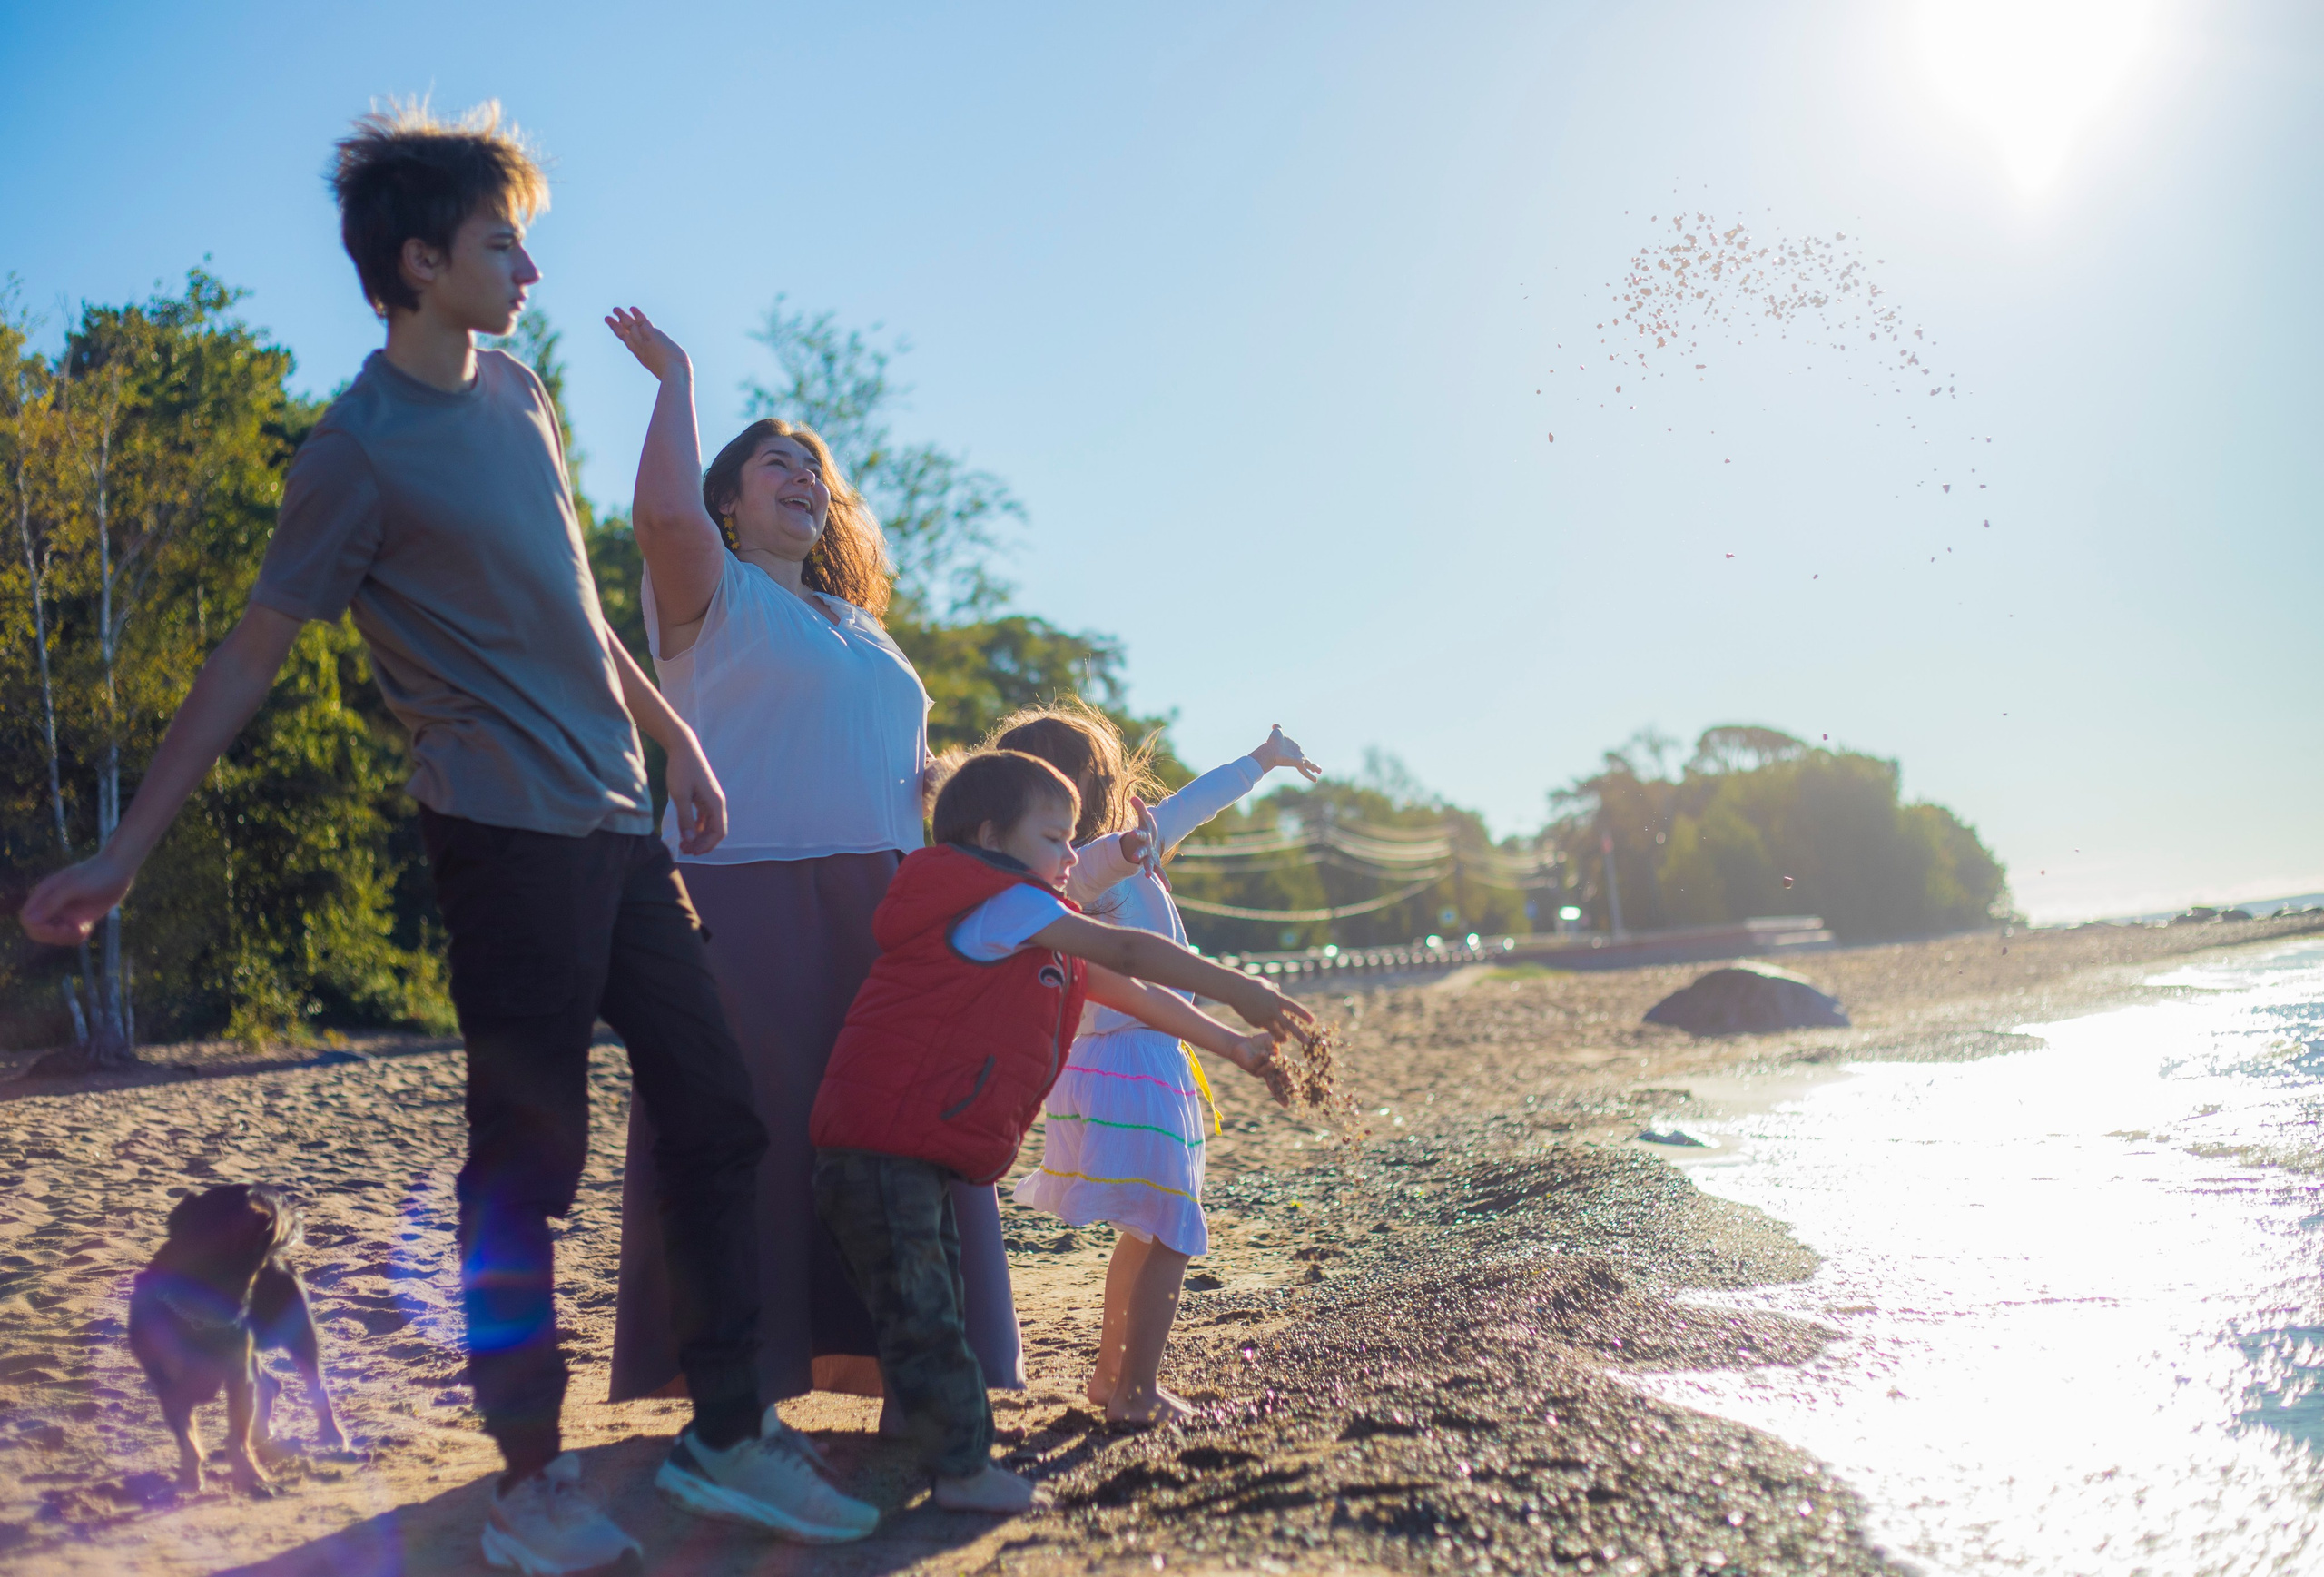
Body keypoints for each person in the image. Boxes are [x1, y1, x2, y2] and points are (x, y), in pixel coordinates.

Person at [19, 104, 877, 1572]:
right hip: (502, 839)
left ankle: (730, 1432)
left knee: (718, 1111)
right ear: (420, 263)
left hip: (618, 827)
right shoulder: (354, 454)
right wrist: (124, 852)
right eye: (500, 243)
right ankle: (531, 1481)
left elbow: (577, 608)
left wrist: (677, 742)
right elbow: (250, 654)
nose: (529, 269)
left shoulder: (522, 394)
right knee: (527, 1166)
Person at [596, 307, 1023, 1424]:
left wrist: (958, 794)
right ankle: (748, 1397)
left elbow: (892, 756)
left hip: (891, 906)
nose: (801, 479)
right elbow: (659, 514)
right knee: (764, 1140)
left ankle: (914, 1377)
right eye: (774, 465)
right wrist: (677, 376)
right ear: (729, 503)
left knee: (902, 1135)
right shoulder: (709, 593)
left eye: (814, 470)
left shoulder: (860, 622)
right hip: (748, 900)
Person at [807, 752, 1313, 1511]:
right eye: (1054, 838)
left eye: (1073, 838)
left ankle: (930, 1447)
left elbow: (1130, 990)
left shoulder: (1021, 918)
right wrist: (1242, 988)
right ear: (991, 837)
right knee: (927, 1312)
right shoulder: (1005, 903)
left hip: (901, 1145)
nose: (1073, 855)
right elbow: (1131, 950)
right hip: (880, 1145)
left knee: (929, 1304)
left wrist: (1233, 1046)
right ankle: (961, 1470)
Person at [997, 705, 1321, 1423]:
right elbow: (1096, 869)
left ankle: (1112, 1377)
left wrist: (1264, 758)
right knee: (1172, 1229)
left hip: (1116, 1063)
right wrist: (1126, 848)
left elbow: (1199, 801)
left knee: (1145, 1230)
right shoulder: (1074, 870)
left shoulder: (1131, 844)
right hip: (1133, 1064)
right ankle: (1137, 1391)